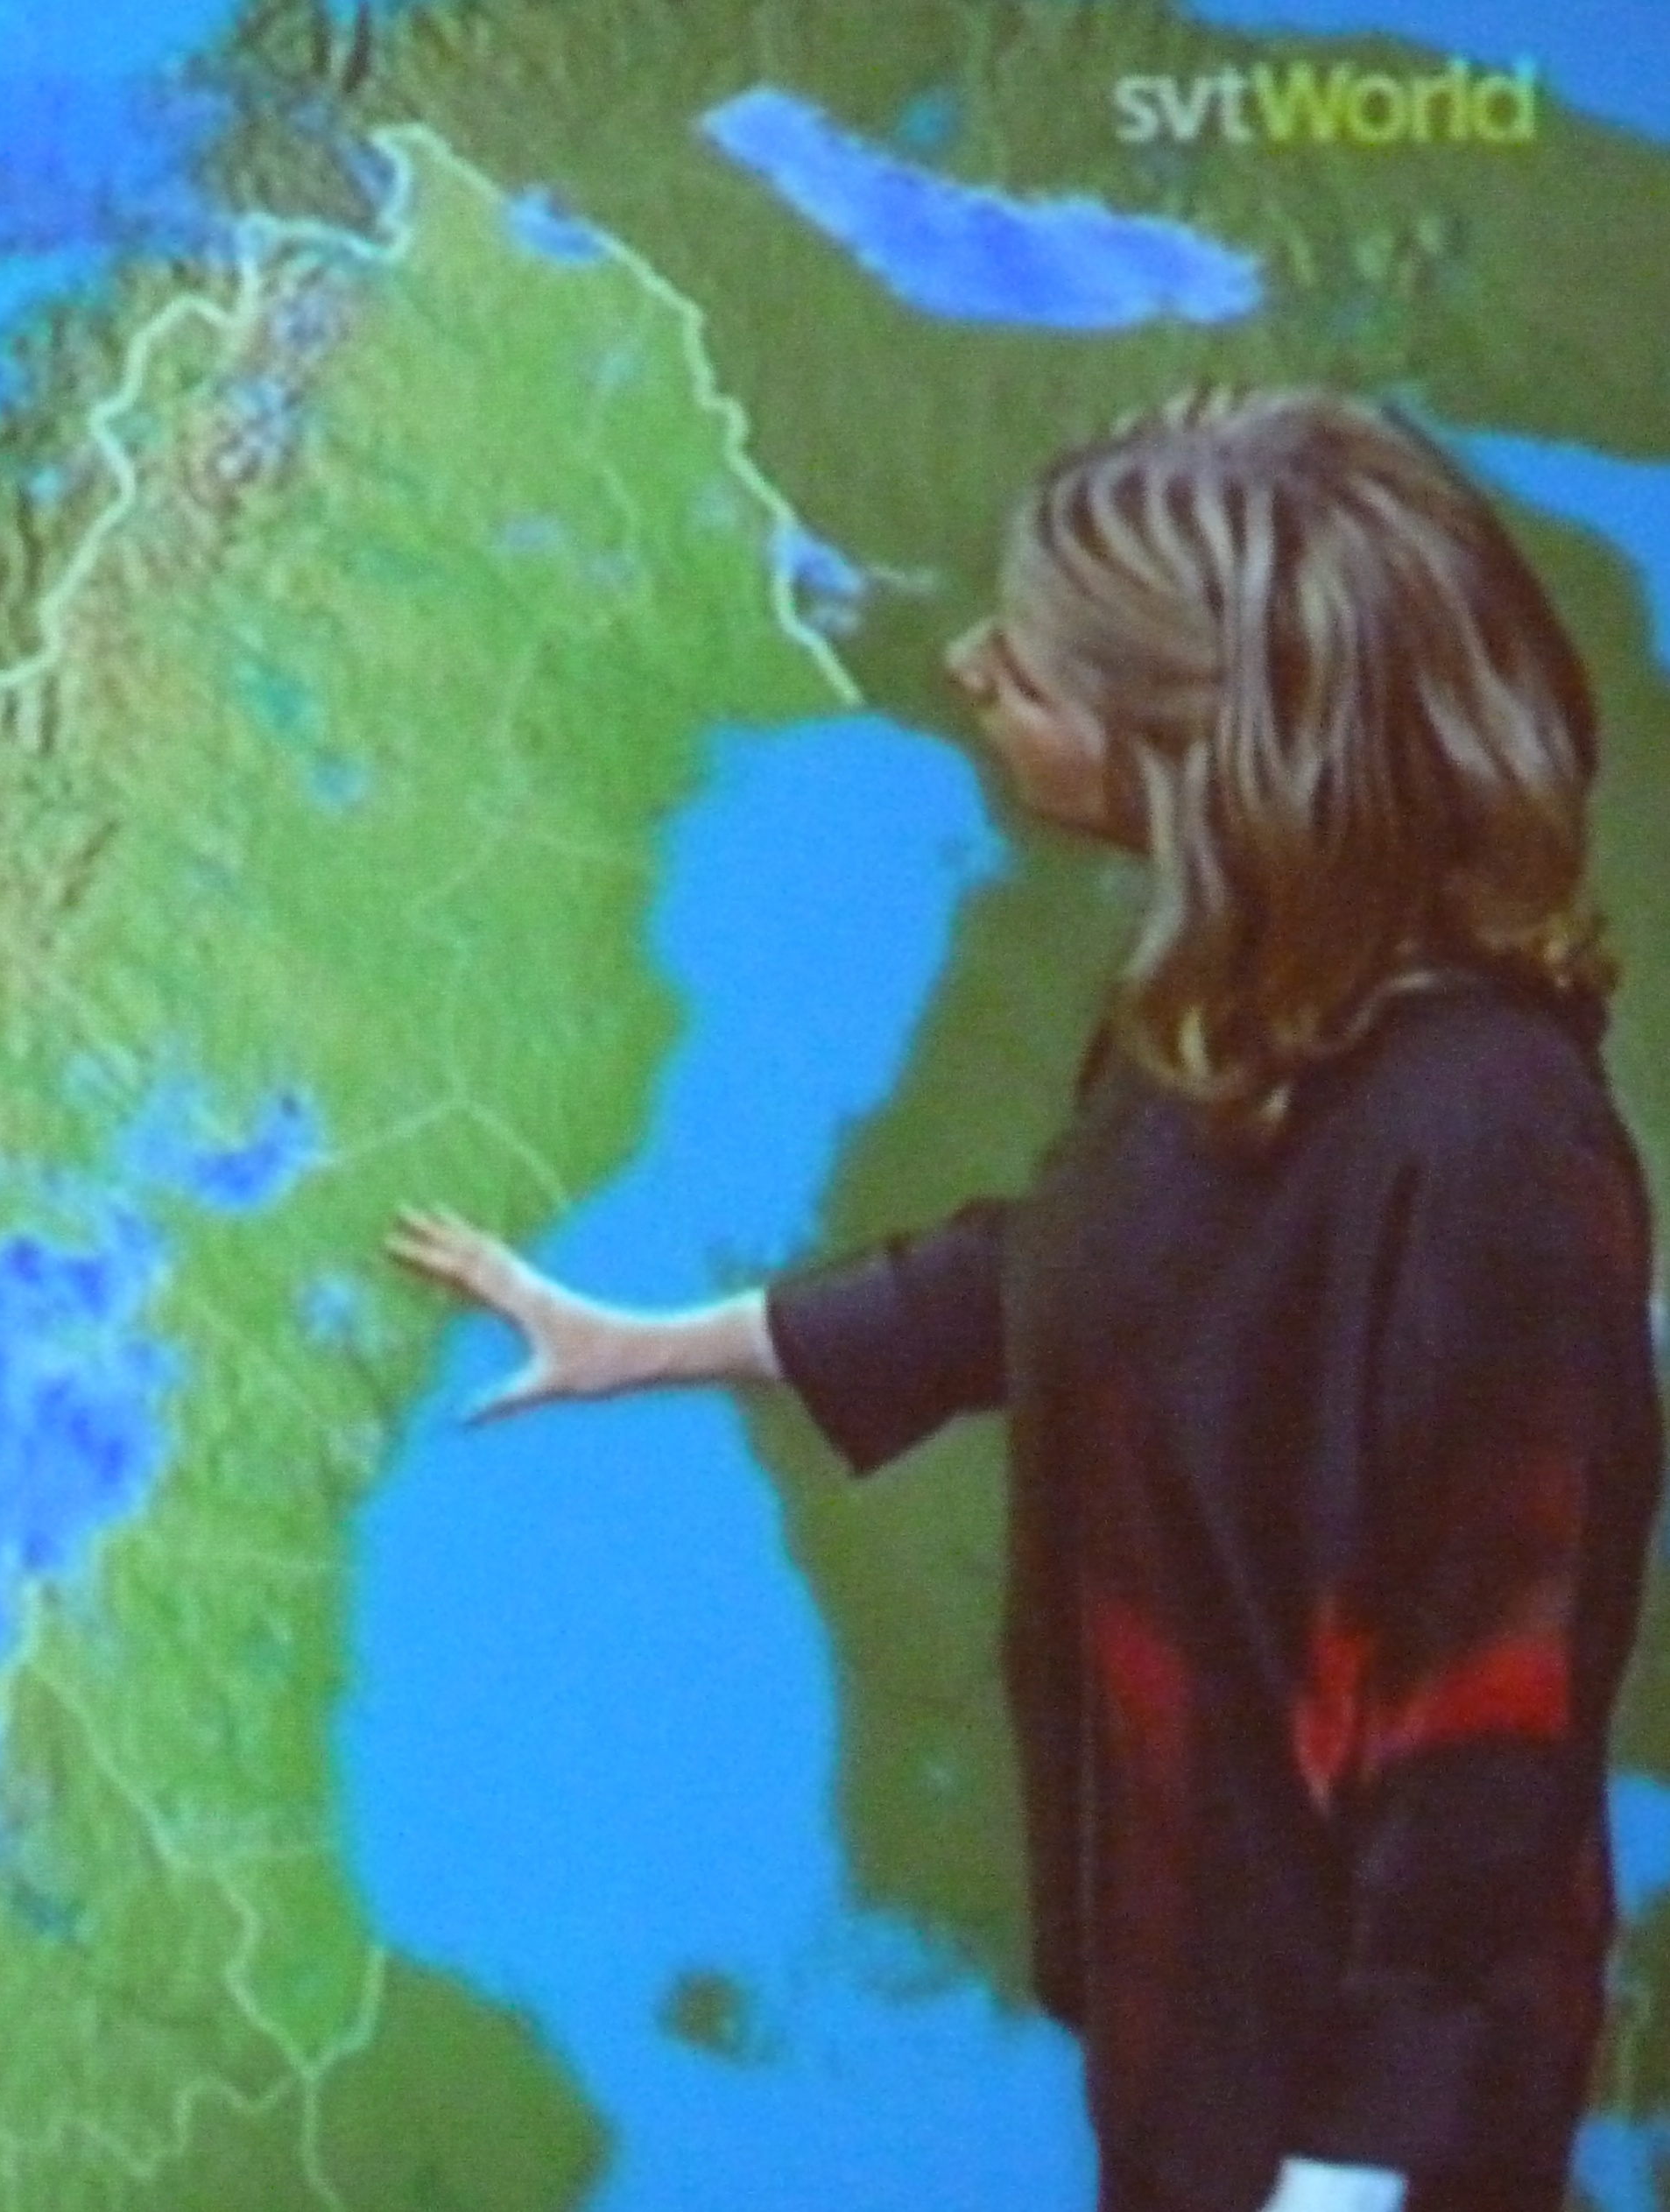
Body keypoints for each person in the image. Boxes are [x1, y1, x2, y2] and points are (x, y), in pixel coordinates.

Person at [389, 388, 1663, 2212]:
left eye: (1038, 669)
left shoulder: (1484, 1150)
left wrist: (1346, 2175)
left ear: (1199, 747)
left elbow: (1485, 1747)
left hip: (1357, 2121)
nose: (971, 666)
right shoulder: (1251, 1009)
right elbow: (1084, 1267)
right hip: (1205, 2015)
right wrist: (650, 1347)